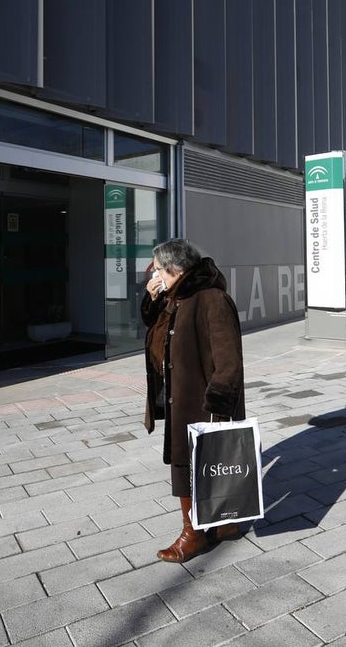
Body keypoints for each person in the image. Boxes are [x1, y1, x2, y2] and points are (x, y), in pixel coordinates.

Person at [142, 238, 246, 562]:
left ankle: (195, 534)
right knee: (185, 463)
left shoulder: (212, 299)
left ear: (175, 269)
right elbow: (153, 326)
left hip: (200, 403)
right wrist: (152, 297)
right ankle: (219, 525)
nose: (155, 274)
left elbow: (229, 361)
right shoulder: (177, 296)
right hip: (179, 397)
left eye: (158, 269)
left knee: (192, 465)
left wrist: (216, 410)